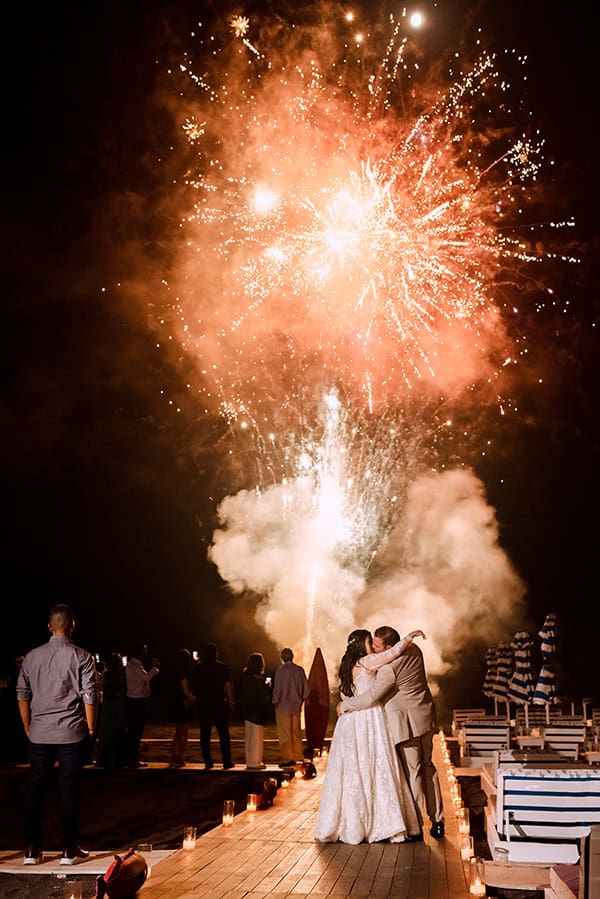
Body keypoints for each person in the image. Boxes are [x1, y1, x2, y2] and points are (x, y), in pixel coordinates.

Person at [315, 628, 424, 844]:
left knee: (352, 770)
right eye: (369, 641)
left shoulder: (346, 667)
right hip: (369, 718)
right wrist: (409, 637)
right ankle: (378, 821)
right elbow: (391, 654)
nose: (372, 646)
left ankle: (351, 822)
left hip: (349, 723)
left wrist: (345, 706)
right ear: (361, 645)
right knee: (375, 765)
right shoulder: (366, 662)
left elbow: (346, 695)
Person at [338, 624, 444, 840]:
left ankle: (416, 826)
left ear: (389, 645)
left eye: (377, 646)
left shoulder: (388, 669)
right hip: (425, 717)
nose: (376, 650)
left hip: (406, 726)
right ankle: (438, 820)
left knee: (412, 773)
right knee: (429, 769)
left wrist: (345, 706)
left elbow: (370, 698)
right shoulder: (415, 651)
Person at [16, 603, 97, 865]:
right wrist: (92, 728)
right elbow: (90, 696)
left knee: (36, 790)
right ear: (72, 625)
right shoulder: (82, 657)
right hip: (71, 732)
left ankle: (32, 849)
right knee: (69, 789)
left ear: (49, 626)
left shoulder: (31, 656)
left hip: (40, 732)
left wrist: (28, 726)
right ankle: (69, 849)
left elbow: (22, 694)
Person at [189, 642, 235, 770]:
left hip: (203, 704)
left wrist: (195, 697)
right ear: (216, 653)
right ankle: (226, 761)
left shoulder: (197, 669)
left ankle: (208, 761)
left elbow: (191, 686)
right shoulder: (223, 668)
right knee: (224, 734)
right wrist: (231, 703)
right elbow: (228, 687)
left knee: (205, 734)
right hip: (219, 703)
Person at [271, 647, 310, 767]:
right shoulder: (299, 670)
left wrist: (274, 700)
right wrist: (302, 699)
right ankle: (298, 755)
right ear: (292, 656)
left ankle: (288, 758)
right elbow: (306, 689)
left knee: (285, 734)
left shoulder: (280, 670)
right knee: (296, 732)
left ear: (282, 658)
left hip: (283, 706)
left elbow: (278, 689)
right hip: (296, 706)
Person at [124, 641, 159, 768]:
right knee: (136, 732)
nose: (146, 652)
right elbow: (148, 677)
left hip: (133, 701)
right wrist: (155, 667)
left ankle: (130, 758)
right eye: (144, 650)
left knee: (133, 732)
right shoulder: (135, 666)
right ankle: (133, 760)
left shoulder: (132, 665)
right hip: (138, 702)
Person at [238, 652, 272, 770]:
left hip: (248, 712)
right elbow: (264, 697)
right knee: (256, 738)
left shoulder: (246, 678)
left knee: (250, 737)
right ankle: (255, 762)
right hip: (257, 712)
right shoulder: (258, 681)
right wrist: (268, 687)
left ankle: (252, 761)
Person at [95, 652, 127, 772]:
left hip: (108, 705)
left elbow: (102, 686)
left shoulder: (106, 674)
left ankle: (104, 760)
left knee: (107, 733)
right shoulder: (120, 675)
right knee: (117, 732)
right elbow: (123, 690)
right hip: (116, 705)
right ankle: (116, 760)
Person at [167, 648, 196, 768]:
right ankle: (179, 758)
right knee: (184, 733)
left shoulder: (173, 671)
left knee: (178, 733)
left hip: (176, 704)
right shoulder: (186, 672)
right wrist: (192, 698)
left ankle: (174, 756)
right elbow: (184, 685)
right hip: (184, 704)